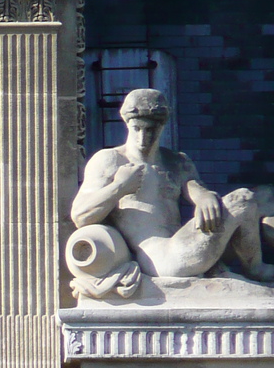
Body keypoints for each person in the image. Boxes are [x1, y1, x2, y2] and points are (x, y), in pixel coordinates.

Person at [72, 87, 274, 282]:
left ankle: (253, 264)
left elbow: (196, 188)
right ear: (127, 124)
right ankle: (255, 269)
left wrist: (204, 196)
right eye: (137, 129)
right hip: (161, 259)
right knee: (242, 200)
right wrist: (120, 187)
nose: (143, 138)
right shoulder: (110, 160)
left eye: (151, 130)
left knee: (262, 196)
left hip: (187, 243)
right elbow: (80, 216)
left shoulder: (176, 161)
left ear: (162, 125)